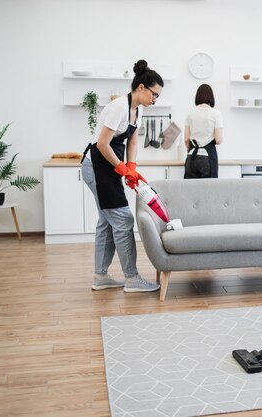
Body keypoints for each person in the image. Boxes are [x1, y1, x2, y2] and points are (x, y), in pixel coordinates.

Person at [81, 59, 162, 292]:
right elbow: (103, 144)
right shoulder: (118, 107)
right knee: (122, 218)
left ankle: (100, 276)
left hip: (109, 167)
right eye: (154, 94)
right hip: (97, 166)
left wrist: (132, 167)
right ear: (141, 88)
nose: (155, 99)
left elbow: (133, 140)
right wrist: (122, 168)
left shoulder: (139, 110)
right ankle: (132, 278)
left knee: (107, 222)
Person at [184, 84, 223, 178]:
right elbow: (218, 140)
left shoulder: (190, 113)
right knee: (208, 191)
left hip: (191, 157)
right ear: (211, 97)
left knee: (190, 190)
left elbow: (186, 139)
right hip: (208, 158)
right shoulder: (216, 114)